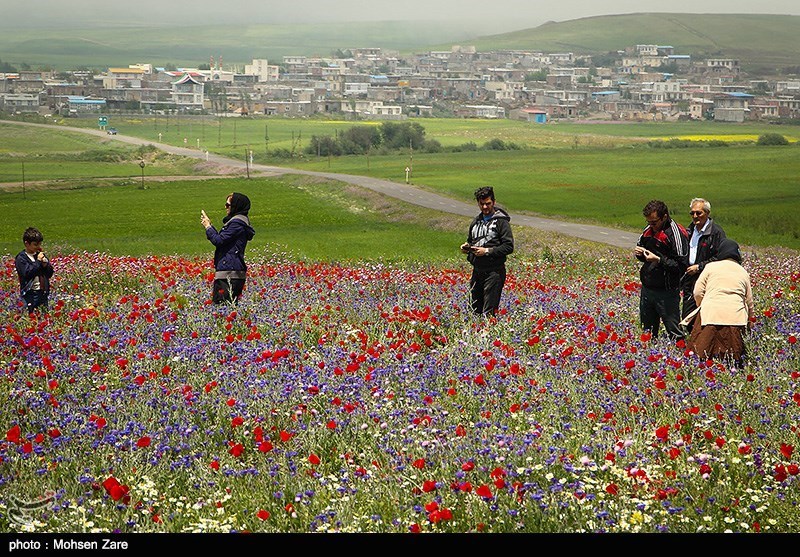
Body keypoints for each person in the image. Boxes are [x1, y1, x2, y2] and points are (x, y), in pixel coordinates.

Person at [685, 239, 754, 368]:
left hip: (710, 314)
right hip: (735, 317)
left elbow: (698, 292)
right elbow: (749, 301)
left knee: (702, 356)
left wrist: (702, 305)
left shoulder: (711, 267)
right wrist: (750, 321)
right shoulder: (743, 272)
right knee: (733, 360)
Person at [634, 200, 689, 341]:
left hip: (667, 291)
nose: (651, 225)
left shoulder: (675, 233)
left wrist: (658, 260)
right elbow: (643, 253)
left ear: (664, 217)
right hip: (648, 288)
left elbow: (681, 266)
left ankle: (680, 357)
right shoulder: (648, 230)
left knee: (674, 331)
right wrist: (640, 254)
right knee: (648, 332)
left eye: (654, 222)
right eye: (649, 222)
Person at [460, 186, 514, 316]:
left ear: (494, 202)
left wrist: (487, 251)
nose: (485, 207)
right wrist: (467, 248)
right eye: (482, 204)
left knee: (489, 312)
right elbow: (471, 240)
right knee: (474, 310)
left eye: (488, 204)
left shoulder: (501, 222)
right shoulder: (475, 222)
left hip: (494, 272)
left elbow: (509, 246)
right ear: (478, 203)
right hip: (477, 271)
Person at [201, 192, 255, 305]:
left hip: (229, 272)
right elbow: (222, 239)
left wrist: (208, 227)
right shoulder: (240, 222)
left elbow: (219, 241)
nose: (226, 208)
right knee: (228, 307)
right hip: (232, 270)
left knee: (222, 307)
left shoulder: (236, 224)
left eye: (228, 205)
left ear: (236, 206)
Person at [681, 197, 726, 328]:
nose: (695, 216)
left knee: (705, 314)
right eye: (692, 213)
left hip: (707, 278)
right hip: (690, 278)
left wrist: (700, 267)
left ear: (707, 213)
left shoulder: (716, 233)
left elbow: (720, 258)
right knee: (687, 315)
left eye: (699, 213)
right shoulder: (689, 231)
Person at [15, 227, 54, 314]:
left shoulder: (40, 255)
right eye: (35, 244)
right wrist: (38, 262)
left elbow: (49, 273)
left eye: (40, 244)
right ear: (27, 244)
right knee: (31, 316)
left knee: (44, 317)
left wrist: (45, 265)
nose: (38, 247)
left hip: (43, 292)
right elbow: (27, 273)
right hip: (30, 294)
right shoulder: (21, 258)